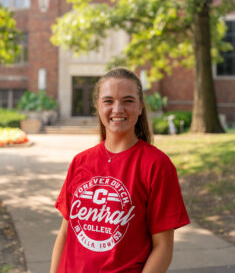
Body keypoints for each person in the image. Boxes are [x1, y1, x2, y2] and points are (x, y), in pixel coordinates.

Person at [50, 67, 190, 273]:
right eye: (108, 101)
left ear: (141, 107)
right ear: (98, 106)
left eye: (128, 100)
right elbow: (64, 233)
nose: (118, 109)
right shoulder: (80, 161)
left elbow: (163, 247)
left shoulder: (157, 165)